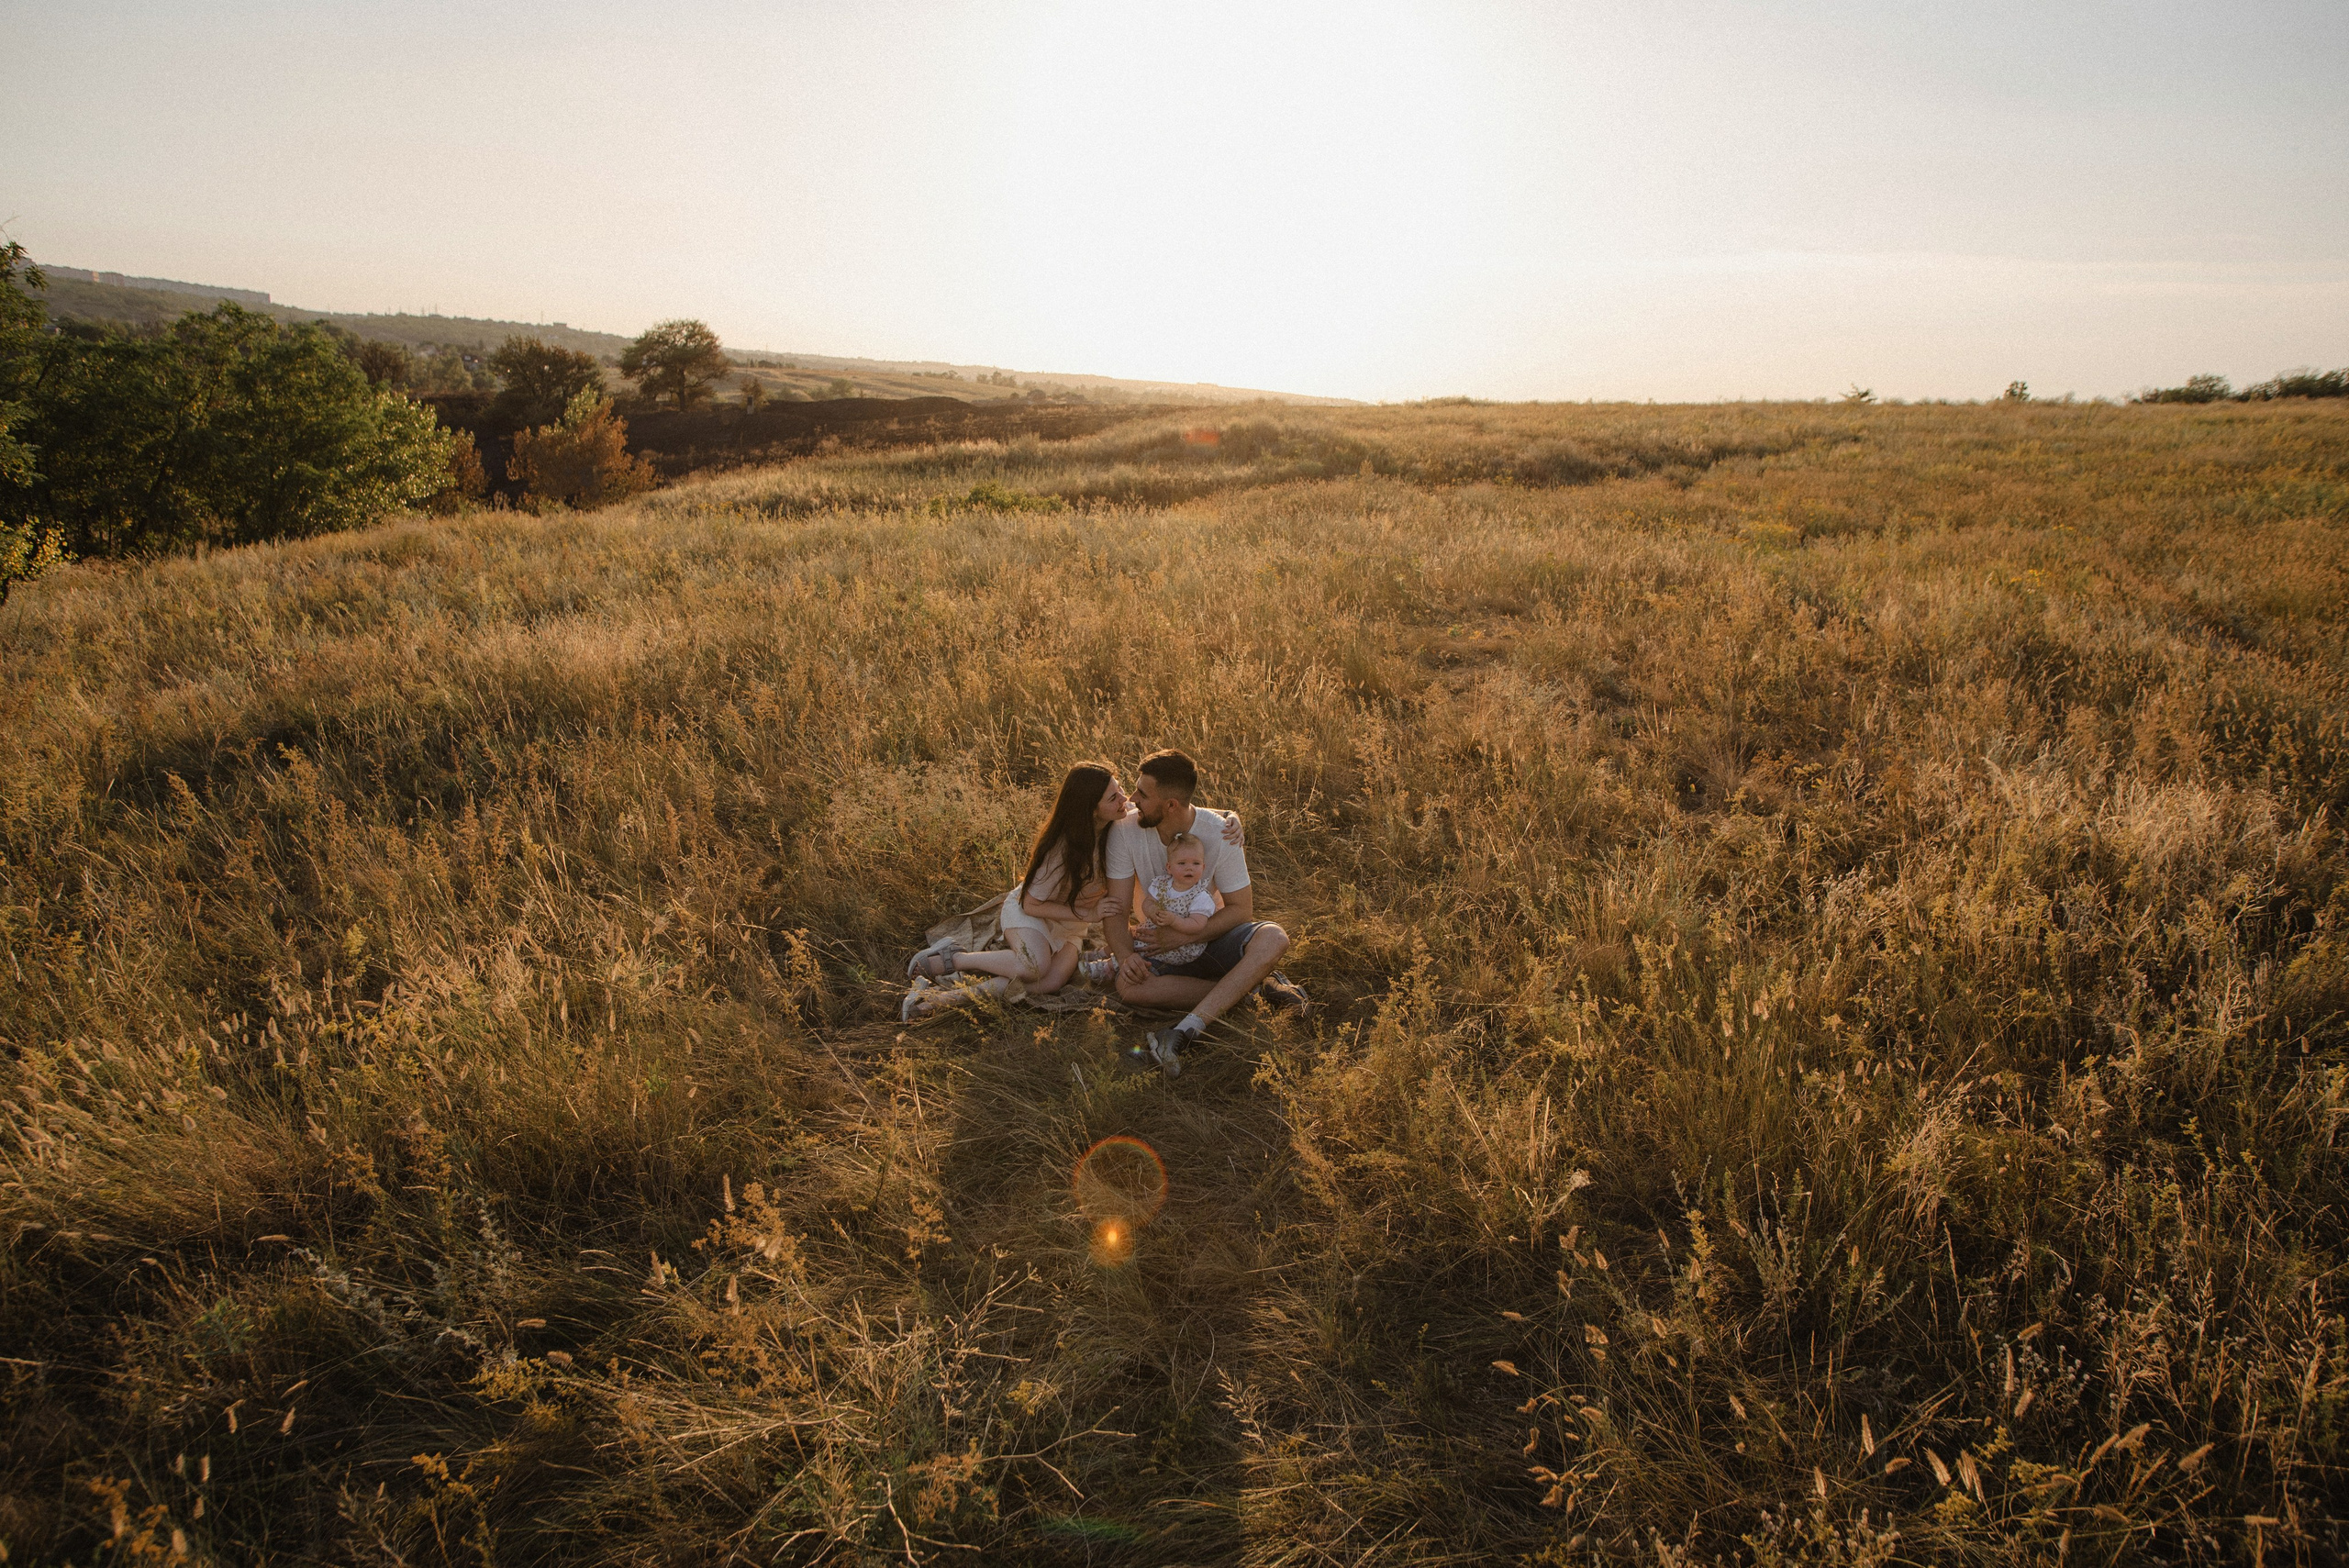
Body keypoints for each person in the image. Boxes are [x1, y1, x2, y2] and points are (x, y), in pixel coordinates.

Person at [902, 762, 1247, 1021]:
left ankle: (950, 1000)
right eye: (1115, 795)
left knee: (1048, 983)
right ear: (1092, 807)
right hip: (1034, 912)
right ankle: (956, 956)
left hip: (1072, 927)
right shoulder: (1064, 848)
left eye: (1123, 790)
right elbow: (1032, 902)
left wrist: (1231, 817)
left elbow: (1181, 810)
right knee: (1034, 965)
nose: (1127, 799)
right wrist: (1088, 915)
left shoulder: (1121, 817)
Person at [1100, 748, 1308, 1075]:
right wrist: (1127, 958)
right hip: (1157, 946)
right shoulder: (1124, 829)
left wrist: (1179, 937)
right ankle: (1253, 988)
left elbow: (1241, 910)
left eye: (1142, 793)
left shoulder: (1220, 831)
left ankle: (1184, 1031)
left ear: (1171, 805)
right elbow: (1115, 912)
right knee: (1129, 987)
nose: (1132, 798)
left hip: (1206, 936)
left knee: (1274, 937)